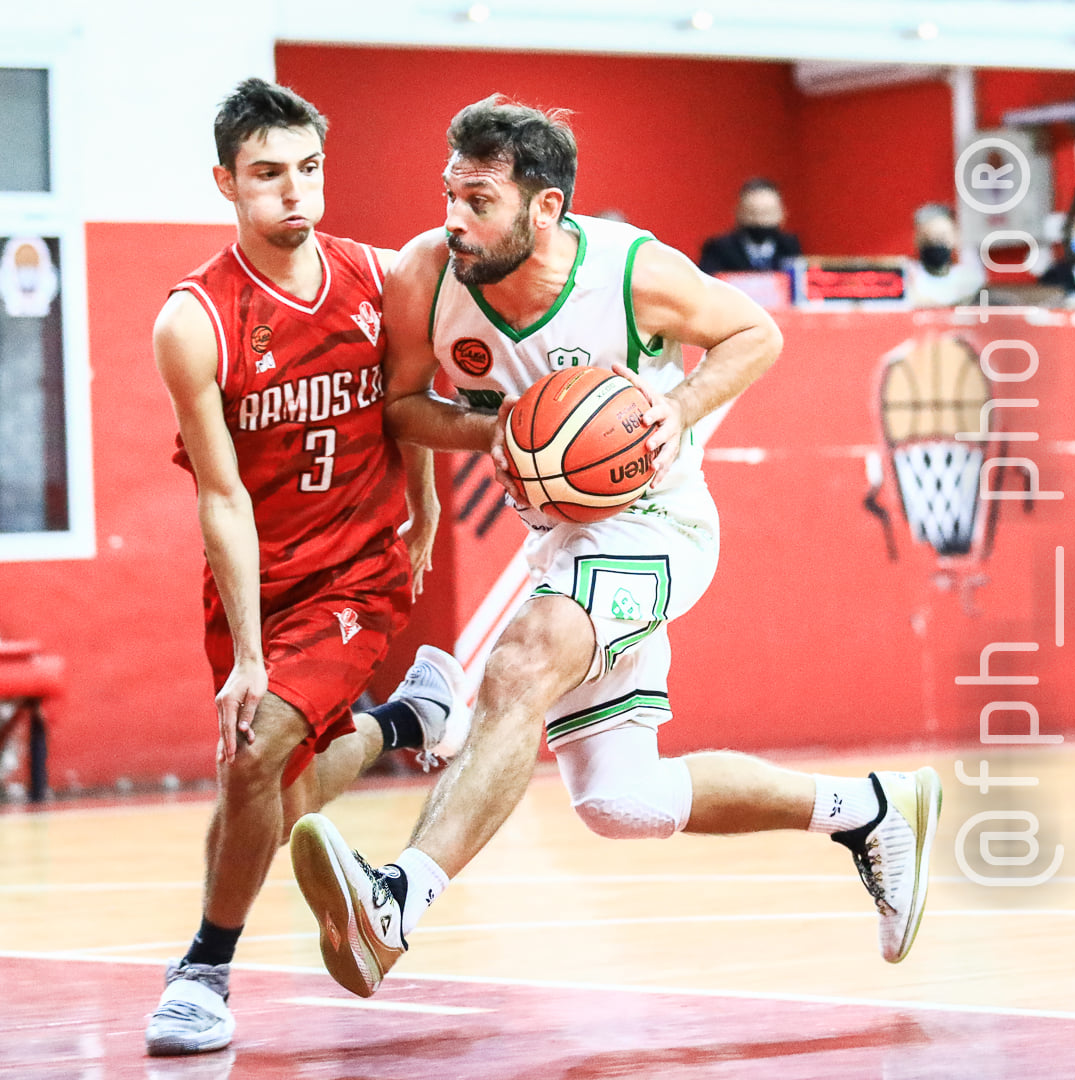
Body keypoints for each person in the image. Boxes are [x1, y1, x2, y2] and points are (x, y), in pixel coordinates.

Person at [289, 95, 943, 1002]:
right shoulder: (425, 276)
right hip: (560, 536)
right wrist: (503, 433)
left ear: (545, 208)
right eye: (449, 194)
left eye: (480, 200)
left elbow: (758, 331)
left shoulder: (632, 271)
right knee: (619, 802)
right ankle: (868, 810)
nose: (454, 219)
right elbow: (401, 407)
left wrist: (675, 409)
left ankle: (397, 903)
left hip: (658, 525)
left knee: (526, 658)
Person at [144, 78, 470, 1057]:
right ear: (226, 183)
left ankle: (203, 971)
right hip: (255, 573)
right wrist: (247, 652)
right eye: (268, 174)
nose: (295, 191)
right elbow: (220, 497)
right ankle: (401, 722)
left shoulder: (379, 279)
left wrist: (423, 505)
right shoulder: (195, 320)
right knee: (262, 787)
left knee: (252, 756)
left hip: (355, 573)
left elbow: (403, 405)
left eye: (309, 169)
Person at [698, 178, 801, 274]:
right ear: (738, 212)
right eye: (753, 213)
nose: (761, 221)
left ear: (782, 213)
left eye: (767, 213)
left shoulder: (789, 247)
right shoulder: (719, 248)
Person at [905, 203, 985, 308]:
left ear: (955, 236)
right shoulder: (907, 274)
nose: (935, 243)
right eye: (927, 238)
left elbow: (967, 295)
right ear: (917, 239)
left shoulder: (969, 274)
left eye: (941, 237)